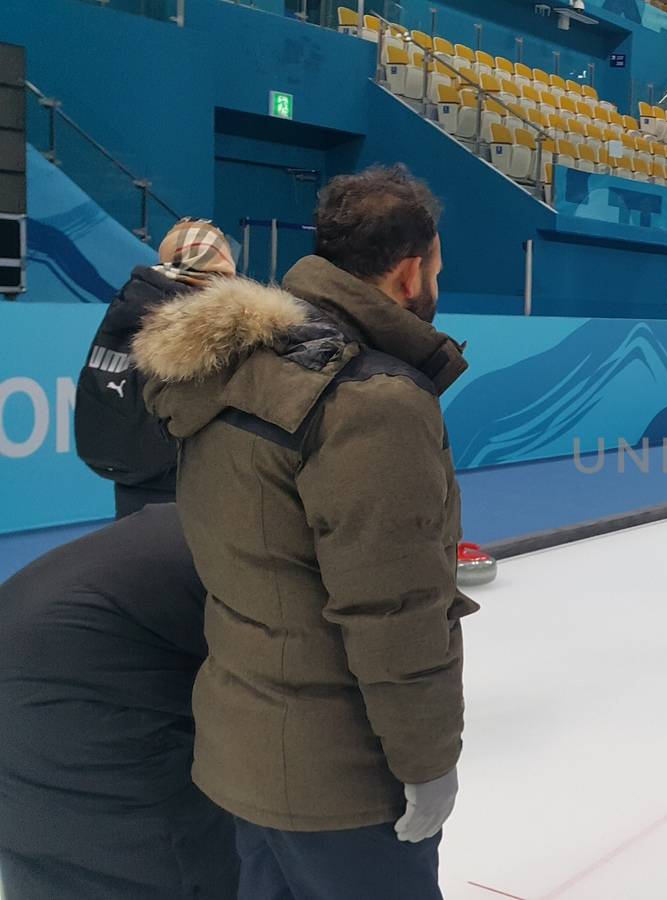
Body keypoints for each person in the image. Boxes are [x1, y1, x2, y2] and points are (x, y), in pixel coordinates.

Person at [133, 165, 474, 900]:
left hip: (243, 756)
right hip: (340, 785)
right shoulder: (374, 402)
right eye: (439, 267)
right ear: (410, 273)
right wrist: (426, 761)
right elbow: (392, 611)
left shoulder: (241, 364)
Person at [0, 504, 238, 899]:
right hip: (67, 693)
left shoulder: (221, 520)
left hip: (48, 668)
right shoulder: (273, 559)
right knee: (163, 865)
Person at [74, 219, 236, 518]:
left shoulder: (134, 299)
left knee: (139, 555)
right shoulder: (201, 312)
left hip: (130, 475)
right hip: (181, 484)